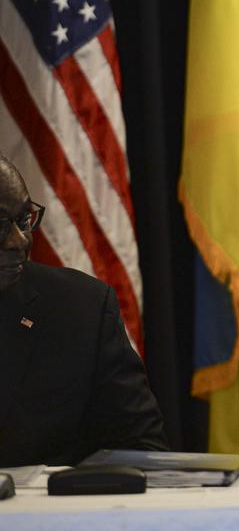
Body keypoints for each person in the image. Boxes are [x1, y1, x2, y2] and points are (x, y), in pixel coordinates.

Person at [0, 156, 168, 467]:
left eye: (24, 220)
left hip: (47, 513)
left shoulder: (81, 309)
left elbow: (142, 450)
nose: (18, 241)